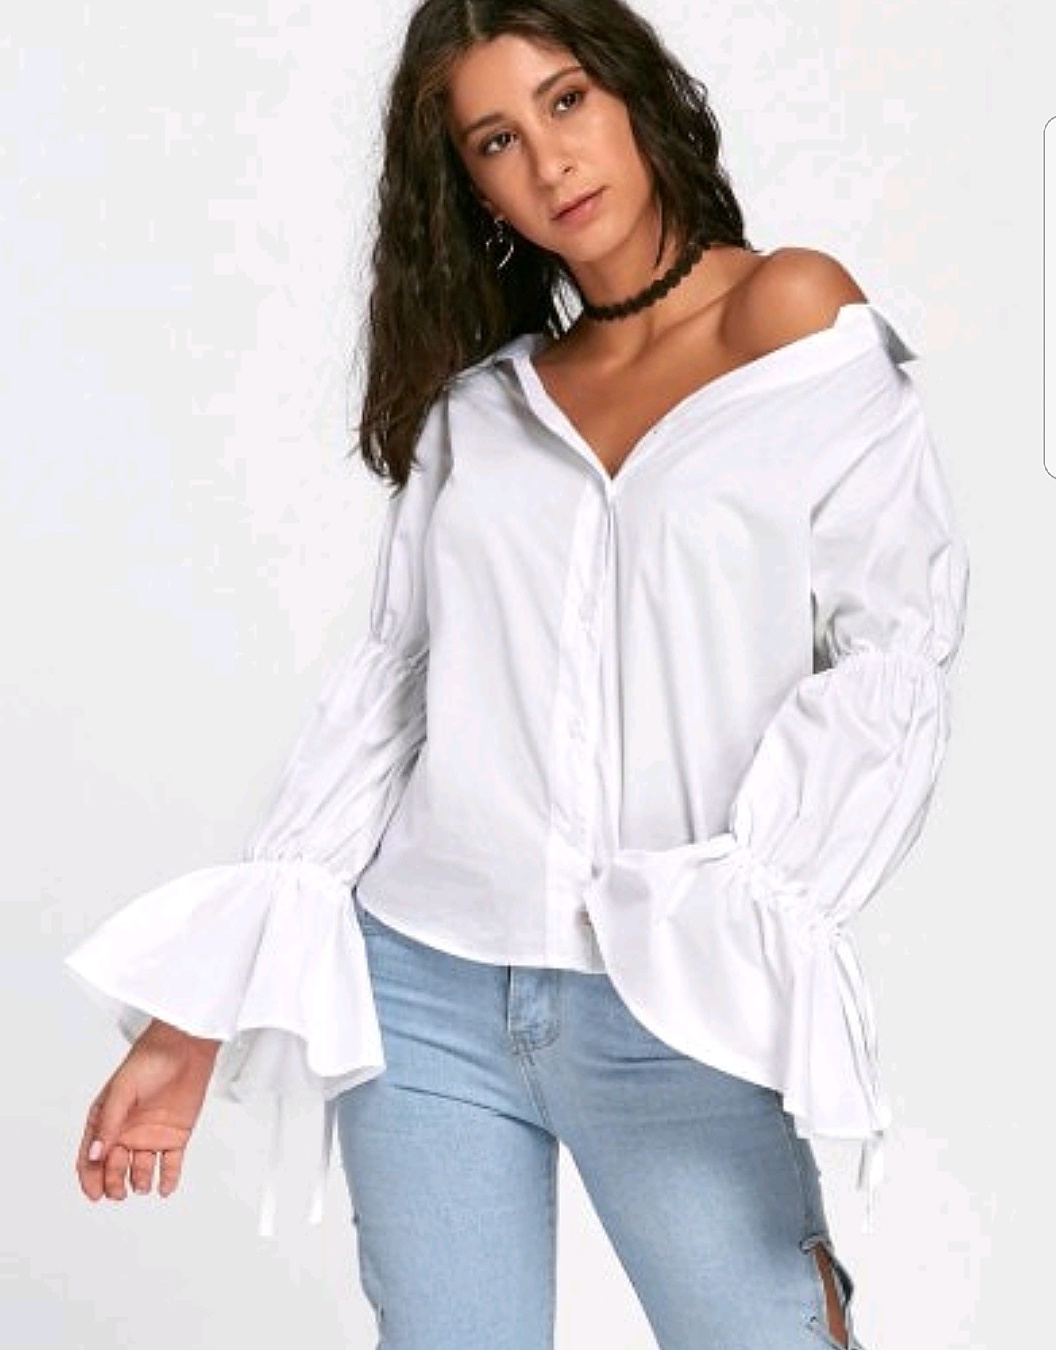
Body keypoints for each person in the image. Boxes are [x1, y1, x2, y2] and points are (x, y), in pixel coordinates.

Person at [66, 1, 970, 1347]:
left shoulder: (789, 311)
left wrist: (749, 902)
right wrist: (191, 1018)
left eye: (566, 100)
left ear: (632, 93)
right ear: (472, 187)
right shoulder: (481, 409)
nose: (550, 161)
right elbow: (391, 696)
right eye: (496, 139)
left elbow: (896, 641)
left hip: (669, 991)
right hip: (423, 995)